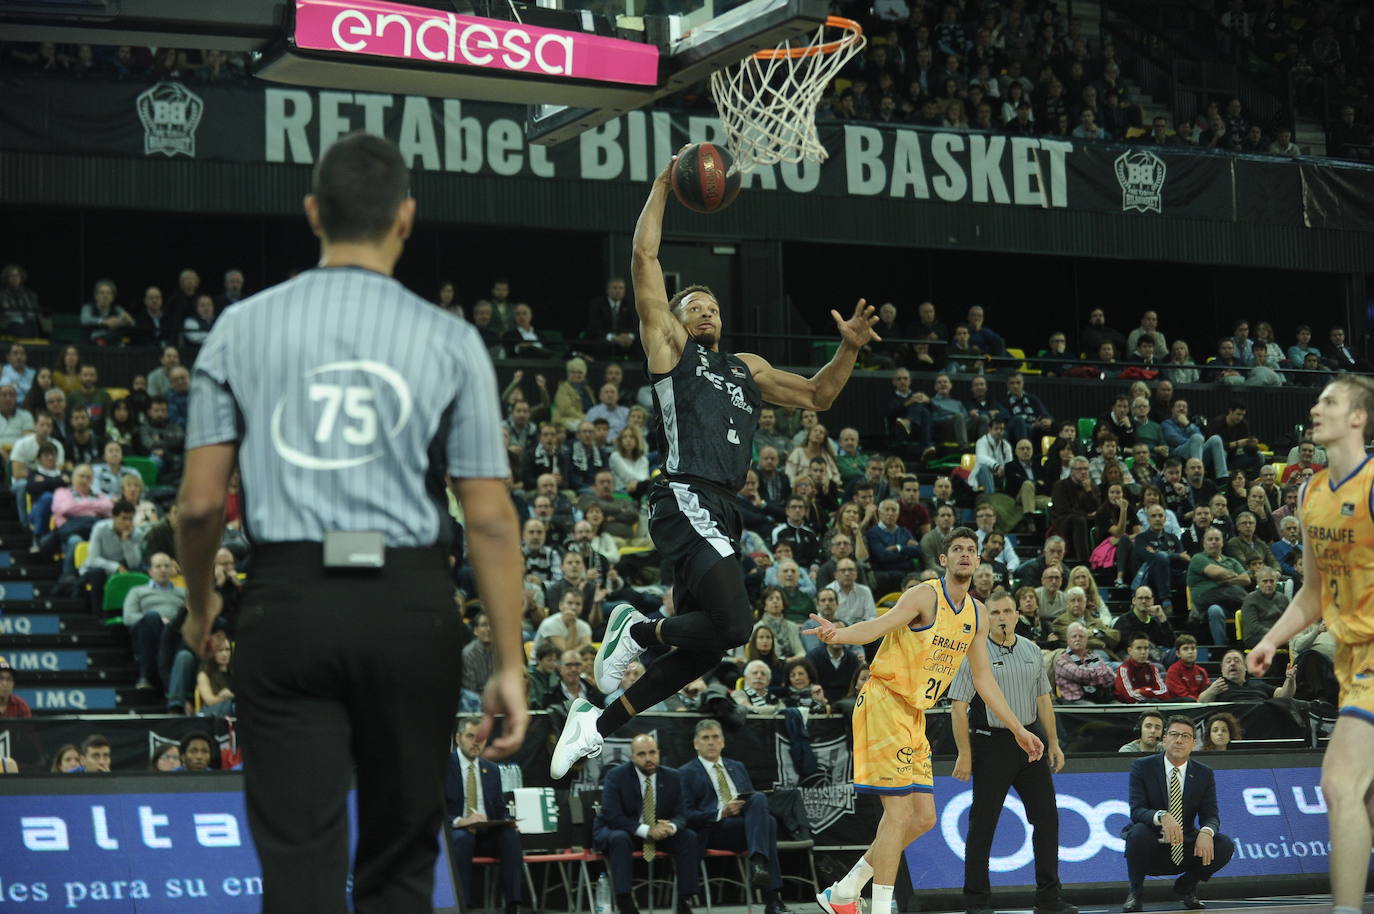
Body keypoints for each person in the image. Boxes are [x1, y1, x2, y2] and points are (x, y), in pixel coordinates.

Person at [174, 132, 527, 914]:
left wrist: (201, 608)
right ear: (406, 218)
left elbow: (199, 506)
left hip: (286, 603)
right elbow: (491, 521)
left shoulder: (238, 328)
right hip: (409, 607)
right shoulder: (452, 341)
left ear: (312, 213)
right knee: (402, 866)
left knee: (299, 865)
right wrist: (508, 659)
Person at [550, 155, 880, 779]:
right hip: (683, 496)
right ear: (674, 318)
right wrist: (660, 186)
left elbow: (818, 397)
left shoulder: (747, 368)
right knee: (737, 622)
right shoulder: (670, 349)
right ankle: (638, 631)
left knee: (715, 643)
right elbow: (644, 261)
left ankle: (595, 721)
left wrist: (847, 349)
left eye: (711, 307)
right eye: (693, 304)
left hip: (723, 511)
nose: (705, 312)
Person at [806, 528, 1043, 914]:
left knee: (924, 819)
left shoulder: (977, 613)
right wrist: (839, 635)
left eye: (972, 550)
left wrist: (1018, 728)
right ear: (944, 559)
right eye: (957, 550)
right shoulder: (924, 595)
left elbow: (983, 679)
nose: (965, 555)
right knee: (898, 814)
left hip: (915, 713)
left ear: (980, 561)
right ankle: (881, 908)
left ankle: (845, 892)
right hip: (884, 701)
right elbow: (878, 626)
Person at [1246, 378, 1374, 914]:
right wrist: (1272, 639)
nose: (1316, 408)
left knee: (1338, 782)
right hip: (1348, 657)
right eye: (1318, 399)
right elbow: (1313, 592)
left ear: (1357, 419)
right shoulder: (1309, 492)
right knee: (1363, 798)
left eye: (1330, 401)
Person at [950, 589, 1074, 914]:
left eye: (1007, 611)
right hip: (991, 743)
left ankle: (1049, 899)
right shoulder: (974, 653)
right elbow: (958, 707)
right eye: (995, 612)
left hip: (1030, 741)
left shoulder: (1033, 650)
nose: (1002, 617)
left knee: (1047, 819)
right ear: (985, 617)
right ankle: (976, 901)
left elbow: (1044, 700)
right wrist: (964, 752)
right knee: (983, 823)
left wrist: (1055, 742)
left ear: (1018, 614)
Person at [1121, 715, 1235, 912]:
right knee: (1137, 832)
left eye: (1185, 736)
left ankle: (1187, 887)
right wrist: (1162, 817)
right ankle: (1135, 893)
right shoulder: (1142, 766)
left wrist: (1206, 832)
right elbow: (1137, 810)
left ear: (1193, 743)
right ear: (1164, 739)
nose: (1179, 740)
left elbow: (1211, 814)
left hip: (1186, 843)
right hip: (1152, 844)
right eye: (1174, 734)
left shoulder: (1204, 773)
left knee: (1224, 844)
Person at [680, 720, 789, 914]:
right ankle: (771, 897)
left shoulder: (737, 766)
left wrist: (740, 807)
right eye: (705, 738)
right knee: (769, 823)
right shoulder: (685, 773)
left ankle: (758, 865)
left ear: (723, 742)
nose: (711, 742)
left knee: (760, 802)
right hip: (714, 829)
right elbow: (687, 816)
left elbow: (752, 804)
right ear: (696, 744)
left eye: (715, 737)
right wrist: (723, 812)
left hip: (744, 827)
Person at [594, 733, 703, 914]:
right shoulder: (616, 776)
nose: (648, 758)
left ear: (659, 753)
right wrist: (647, 830)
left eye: (652, 753)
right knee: (619, 839)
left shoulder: (673, 776)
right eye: (642, 754)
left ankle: (685, 900)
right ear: (632, 757)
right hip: (624, 830)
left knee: (688, 837)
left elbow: (682, 814)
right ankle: (625, 901)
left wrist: (671, 827)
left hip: (659, 831)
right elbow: (612, 816)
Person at [445, 717, 524, 914]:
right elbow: (435, 812)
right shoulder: (444, 767)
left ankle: (513, 904)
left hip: (487, 833)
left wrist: (507, 821)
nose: (476, 742)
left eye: (480, 738)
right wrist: (460, 821)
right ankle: (465, 905)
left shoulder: (492, 770)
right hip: (459, 833)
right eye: (471, 736)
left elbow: (499, 808)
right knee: (463, 838)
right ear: (458, 738)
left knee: (511, 837)